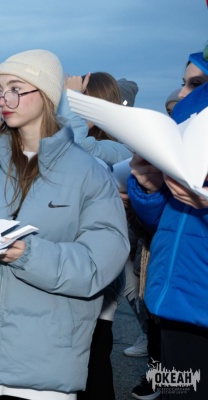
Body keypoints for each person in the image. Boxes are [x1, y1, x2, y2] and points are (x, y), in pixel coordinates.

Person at [0, 49, 129, 399]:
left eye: (15, 88)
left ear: (46, 95)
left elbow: (97, 266)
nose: (3, 99)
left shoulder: (88, 174)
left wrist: (26, 254)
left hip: (45, 372)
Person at [128, 48, 208, 400]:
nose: (183, 94)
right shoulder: (187, 140)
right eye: (183, 83)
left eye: (197, 84)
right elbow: (166, 225)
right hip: (173, 303)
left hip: (199, 301)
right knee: (179, 393)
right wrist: (150, 190)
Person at [63, 71, 134, 400]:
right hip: (78, 266)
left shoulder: (117, 149)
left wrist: (71, 102)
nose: (74, 109)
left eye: (83, 102)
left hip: (98, 273)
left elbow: (76, 148)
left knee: (94, 362)